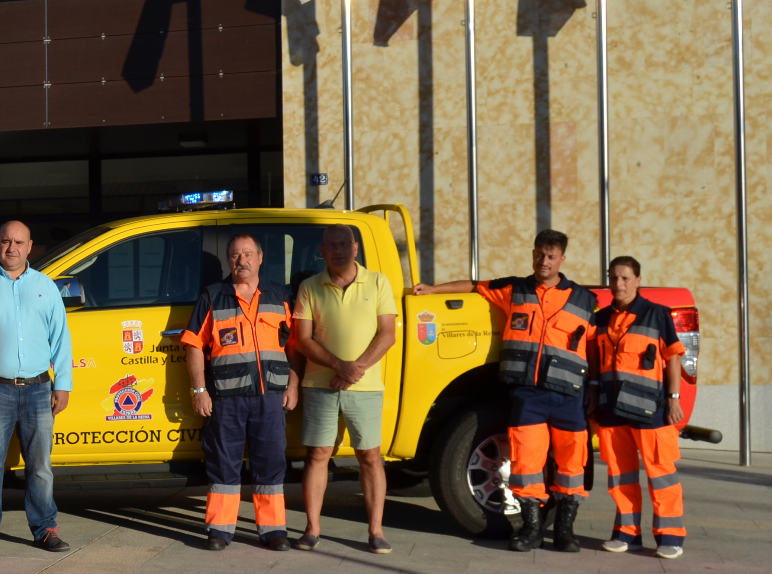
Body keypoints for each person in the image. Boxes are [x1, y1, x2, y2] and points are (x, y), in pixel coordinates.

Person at [416, 229, 596, 551]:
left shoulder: (585, 300)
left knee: (571, 465)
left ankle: (565, 531)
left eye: (551, 256)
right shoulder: (514, 289)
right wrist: (432, 290)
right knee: (526, 464)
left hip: (568, 396)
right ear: (533, 254)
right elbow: (474, 286)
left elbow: (599, 349)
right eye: (539, 254)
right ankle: (531, 530)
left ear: (562, 259)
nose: (544, 261)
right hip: (528, 395)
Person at [181, 231, 299, 552]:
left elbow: (295, 345)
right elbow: (193, 345)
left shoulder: (279, 296)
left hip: (270, 397)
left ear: (260, 258)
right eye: (235, 255)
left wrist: (294, 383)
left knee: (271, 462)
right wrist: (199, 389)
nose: (241, 260)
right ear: (228, 260)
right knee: (223, 463)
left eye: (248, 254)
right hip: (225, 399)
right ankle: (219, 530)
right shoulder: (213, 296)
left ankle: (273, 531)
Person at [0, 220, 74, 555]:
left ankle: (45, 528)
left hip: (39, 389)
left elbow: (61, 338)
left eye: (19, 242)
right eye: (6, 241)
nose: (12, 248)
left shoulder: (46, 286)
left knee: (40, 465)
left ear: (30, 245)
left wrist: (63, 384)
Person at [293, 224, 399, 552]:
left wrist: (354, 370)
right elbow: (302, 339)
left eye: (343, 244)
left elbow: (387, 334)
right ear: (322, 251)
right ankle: (312, 529)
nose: (337, 249)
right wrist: (341, 366)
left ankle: (376, 532)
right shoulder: (310, 287)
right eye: (331, 245)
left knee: (369, 456)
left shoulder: (379, 282)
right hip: (320, 384)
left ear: (355, 248)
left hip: (365, 386)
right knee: (318, 454)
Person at [589, 257, 687, 558]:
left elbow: (673, 358)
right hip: (611, 408)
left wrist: (673, 399)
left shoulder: (657, 315)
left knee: (661, 473)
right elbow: (595, 360)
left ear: (638, 280)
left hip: (652, 409)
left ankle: (670, 536)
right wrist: (593, 396)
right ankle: (626, 533)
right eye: (613, 277)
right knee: (620, 474)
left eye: (626, 278)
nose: (618, 284)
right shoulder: (601, 318)